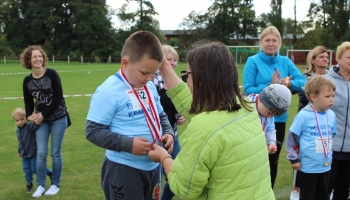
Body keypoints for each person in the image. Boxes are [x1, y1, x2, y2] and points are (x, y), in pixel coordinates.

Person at [148, 41, 275, 199]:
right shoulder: (245, 107)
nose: (185, 81)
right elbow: (192, 105)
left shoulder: (203, 128)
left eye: (187, 75)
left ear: (201, 79)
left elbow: (184, 188)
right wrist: (163, 63)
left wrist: (163, 157)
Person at [85, 31, 174, 200]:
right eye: (144, 72)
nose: (149, 78)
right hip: (123, 169)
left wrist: (168, 132)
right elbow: (93, 131)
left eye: (154, 73)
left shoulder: (149, 87)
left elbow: (160, 115)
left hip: (153, 167)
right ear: (125, 63)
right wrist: (128, 144)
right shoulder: (108, 91)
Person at [243, 25, 306, 188]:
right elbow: (248, 89)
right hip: (254, 119)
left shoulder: (285, 61)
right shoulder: (253, 61)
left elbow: (303, 82)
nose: (271, 43)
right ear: (261, 42)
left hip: (278, 119)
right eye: (267, 40)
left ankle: (267, 193)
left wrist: (289, 83)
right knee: (251, 158)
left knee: (273, 160)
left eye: (274, 40)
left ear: (279, 42)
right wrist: (271, 86)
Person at [21, 45, 69, 197]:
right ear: (28, 60)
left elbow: (58, 98)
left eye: (40, 56)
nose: (38, 59)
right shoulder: (27, 81)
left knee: (55, 152)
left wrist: (42, 114)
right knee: (41, 152)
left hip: (58, 117)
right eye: (34, 56)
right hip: (41, 120)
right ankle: (41, 185)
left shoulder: (52, 74)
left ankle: (55, 184)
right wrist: (30, 115)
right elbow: (29, 102)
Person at [286, 75, 336, 200]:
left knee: (323, 195)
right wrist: (294, 159)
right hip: (307, 167)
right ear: (313, 97)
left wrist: (329, 154)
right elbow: (292, 137)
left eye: (333, 96)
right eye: (327, 96)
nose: (332, 100)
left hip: (325, 166)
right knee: (308, 196)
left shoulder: (331, 115)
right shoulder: (303, 115)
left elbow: (332, 135)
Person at [291, 46, 330, 200]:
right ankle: (296, 191)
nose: (325, 59)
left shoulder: (331, 77)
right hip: (307, 128)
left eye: (327, 57)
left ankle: (326, 189)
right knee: (303, 161)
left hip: (326, 126)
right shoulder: (305, 77)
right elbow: (296, 93)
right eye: (321, 56)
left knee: (323, 159)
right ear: (313, 59)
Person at [152, 44, 185, 200]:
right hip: (156, 139)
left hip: (174, 136)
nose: (173, 63)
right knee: (155, 180)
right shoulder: (152, 80)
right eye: (169, 59)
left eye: (175, 60)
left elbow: (177, 106)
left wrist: (180, 116)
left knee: (178, 175)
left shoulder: (175, 81)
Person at [325, 41, 350, 200]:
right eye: (349, 57)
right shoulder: (326, 81)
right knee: (324, 188)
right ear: (338, 58)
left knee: (343, 190)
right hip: (329, 149)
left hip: (349, 150)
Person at [12, 108, 52, 193]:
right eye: (17, 120)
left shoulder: (29, 127)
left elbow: (36, 126)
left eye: (22, 119)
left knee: (35, 169)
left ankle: (49, 172)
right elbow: (20, 142)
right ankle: (29, 184)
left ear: (26, 118)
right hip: (24, 155)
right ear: (15, 121)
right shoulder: (17, 131)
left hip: (33, 154)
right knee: (27, 170)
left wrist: (36, 119)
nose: (20, 122)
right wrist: (19, 151)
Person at [246, 84, 292, 155]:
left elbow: (270, 129)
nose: (271, 116)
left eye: (273, 114)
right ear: (261, 100)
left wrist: (271, 142)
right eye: (270, 112)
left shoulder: (265, 110)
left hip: (257, 152)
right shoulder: (246, 108)